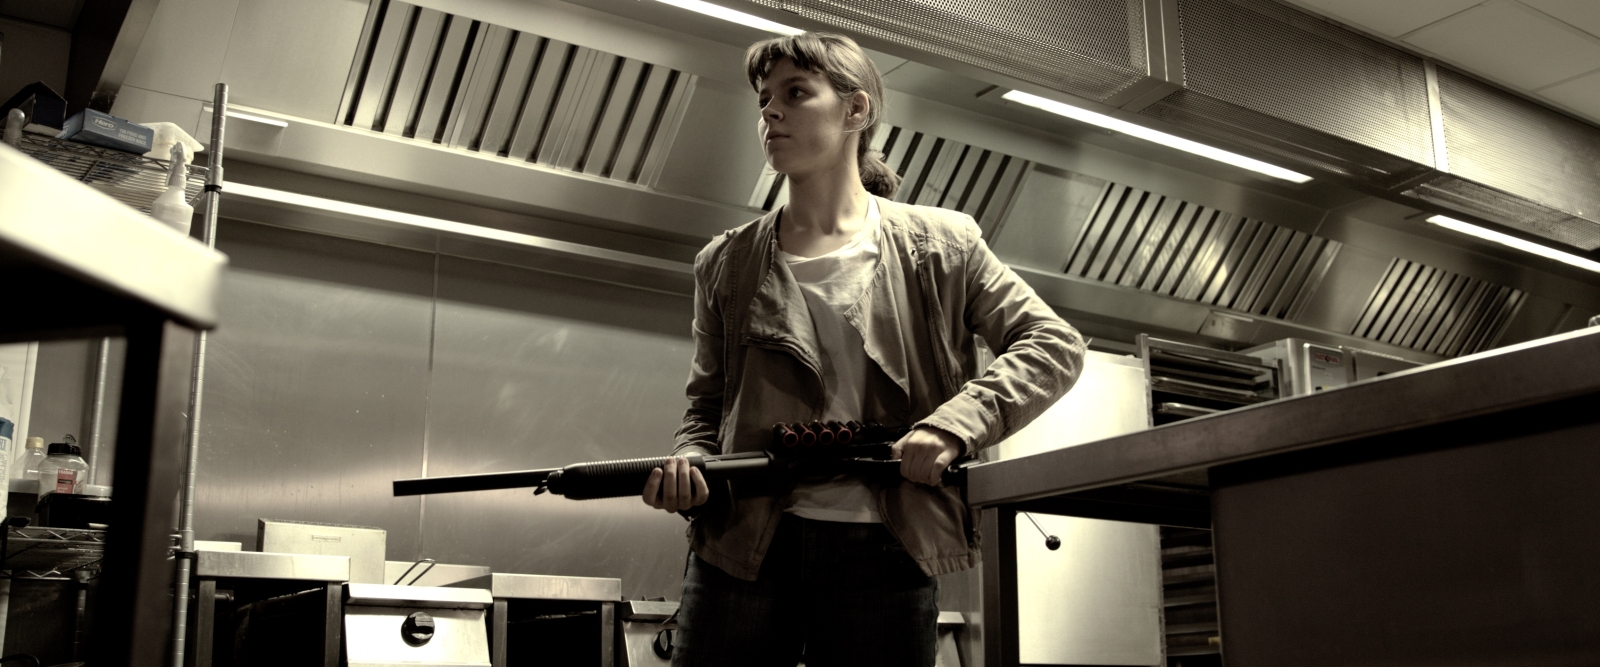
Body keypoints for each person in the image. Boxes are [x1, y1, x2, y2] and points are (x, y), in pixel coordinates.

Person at [639, 32, 1087, 666]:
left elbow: (1053, 342)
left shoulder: (942, 245)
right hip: (744, 548)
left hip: (887, 549)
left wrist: (953, 426)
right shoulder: (725, 262)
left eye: (796, 92)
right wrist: (690, 462)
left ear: (855, 110)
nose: (770, 111)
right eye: (764, 99)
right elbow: (706, 410)